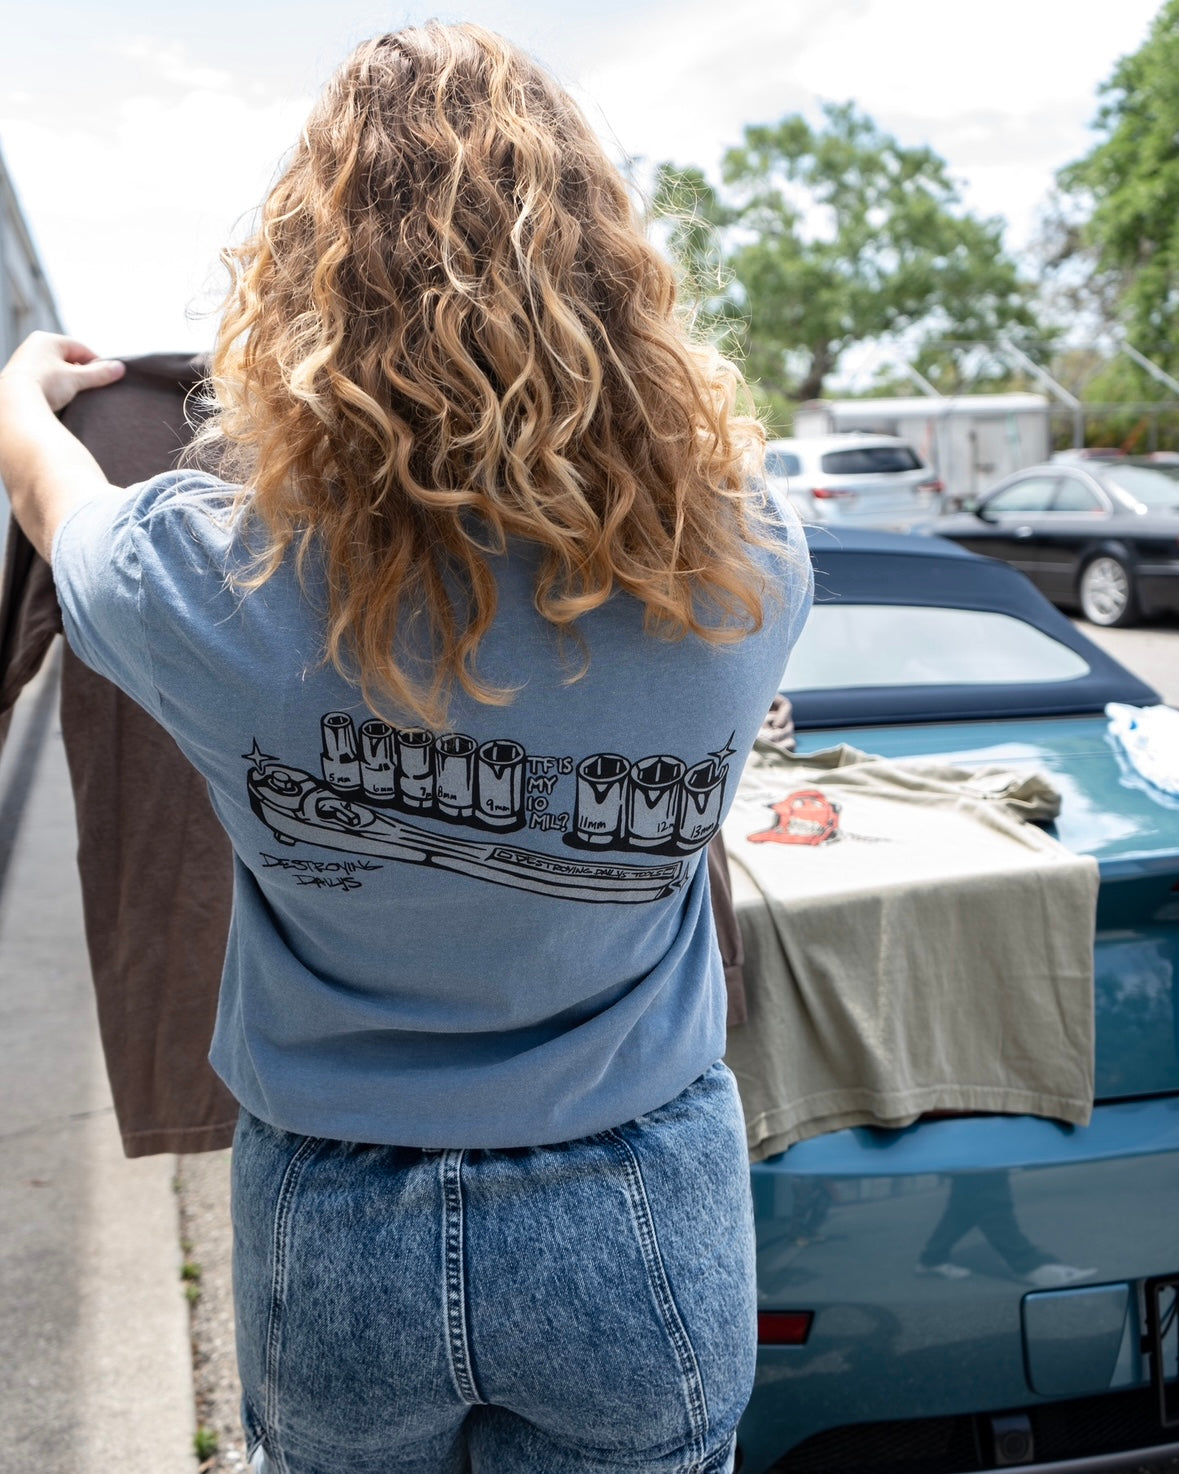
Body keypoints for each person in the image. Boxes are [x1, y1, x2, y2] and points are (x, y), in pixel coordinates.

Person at [0, 23, 811, 1474]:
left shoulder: (213, 581)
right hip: (639, 1204)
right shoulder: (750, 562)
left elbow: (56, 501)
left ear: (312, 289)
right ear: (612, 283)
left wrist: (22, 390)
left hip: (335, 1219)